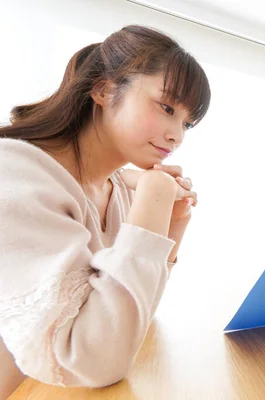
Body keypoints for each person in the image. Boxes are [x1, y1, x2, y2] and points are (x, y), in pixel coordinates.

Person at [0, 25, 210, 396]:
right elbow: (94, 361)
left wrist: (171, 226)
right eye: (166, 107)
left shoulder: (117, 191)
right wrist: (155, 197)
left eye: (187, 123)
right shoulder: (15, 175)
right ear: (103, 88)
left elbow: (129, 321)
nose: (178, 135)